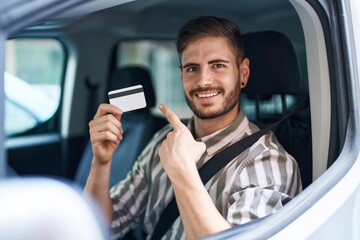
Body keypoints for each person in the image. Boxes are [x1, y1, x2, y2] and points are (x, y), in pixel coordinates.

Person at [84, 16, 302, 240]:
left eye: (218, 66)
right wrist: (101, 163)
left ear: (243, 73)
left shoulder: (268, 162)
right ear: (181, 75)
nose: (203, 81)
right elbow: (101, 225)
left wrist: (182, 171)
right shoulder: (164, 141)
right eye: (192, 69)